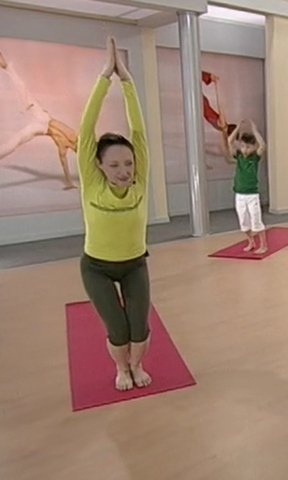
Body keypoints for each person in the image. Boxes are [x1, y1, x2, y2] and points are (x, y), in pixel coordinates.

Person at [77, 37, 152, 391]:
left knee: (140, 327)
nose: (124, 170)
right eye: (115, 165)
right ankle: (121, 369)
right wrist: (105, 77)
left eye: (128, 163)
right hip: (97, 267)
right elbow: (85, 130)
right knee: (118, 329)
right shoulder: (92, 182)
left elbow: (138, 131)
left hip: (135, 263)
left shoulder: (139, 180)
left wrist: (129, 83)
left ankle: (137, 365)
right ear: (99, 166)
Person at [0, 50, 77, 190]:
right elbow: (56, 125)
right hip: (43, 120)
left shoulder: (64, 146)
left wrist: (69, 182)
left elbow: (65, 164)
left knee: (15, 142)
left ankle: (6, 66)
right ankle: (6, 66)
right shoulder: (74, 137)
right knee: (22, 89)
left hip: (40, 125)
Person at [226, 119, 268, 254]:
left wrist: (254, 130)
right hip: (240, 194)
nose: (245, 149)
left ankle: (264, 245)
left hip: (252, 195)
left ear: (253, 147)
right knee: (244, 222)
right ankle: (251, 242)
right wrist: (238, 128)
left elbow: (262, 145)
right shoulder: (238, 156)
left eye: (248, 147)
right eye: (243, 146)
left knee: (256, 220)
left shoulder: (255, 157)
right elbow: (229, 141)